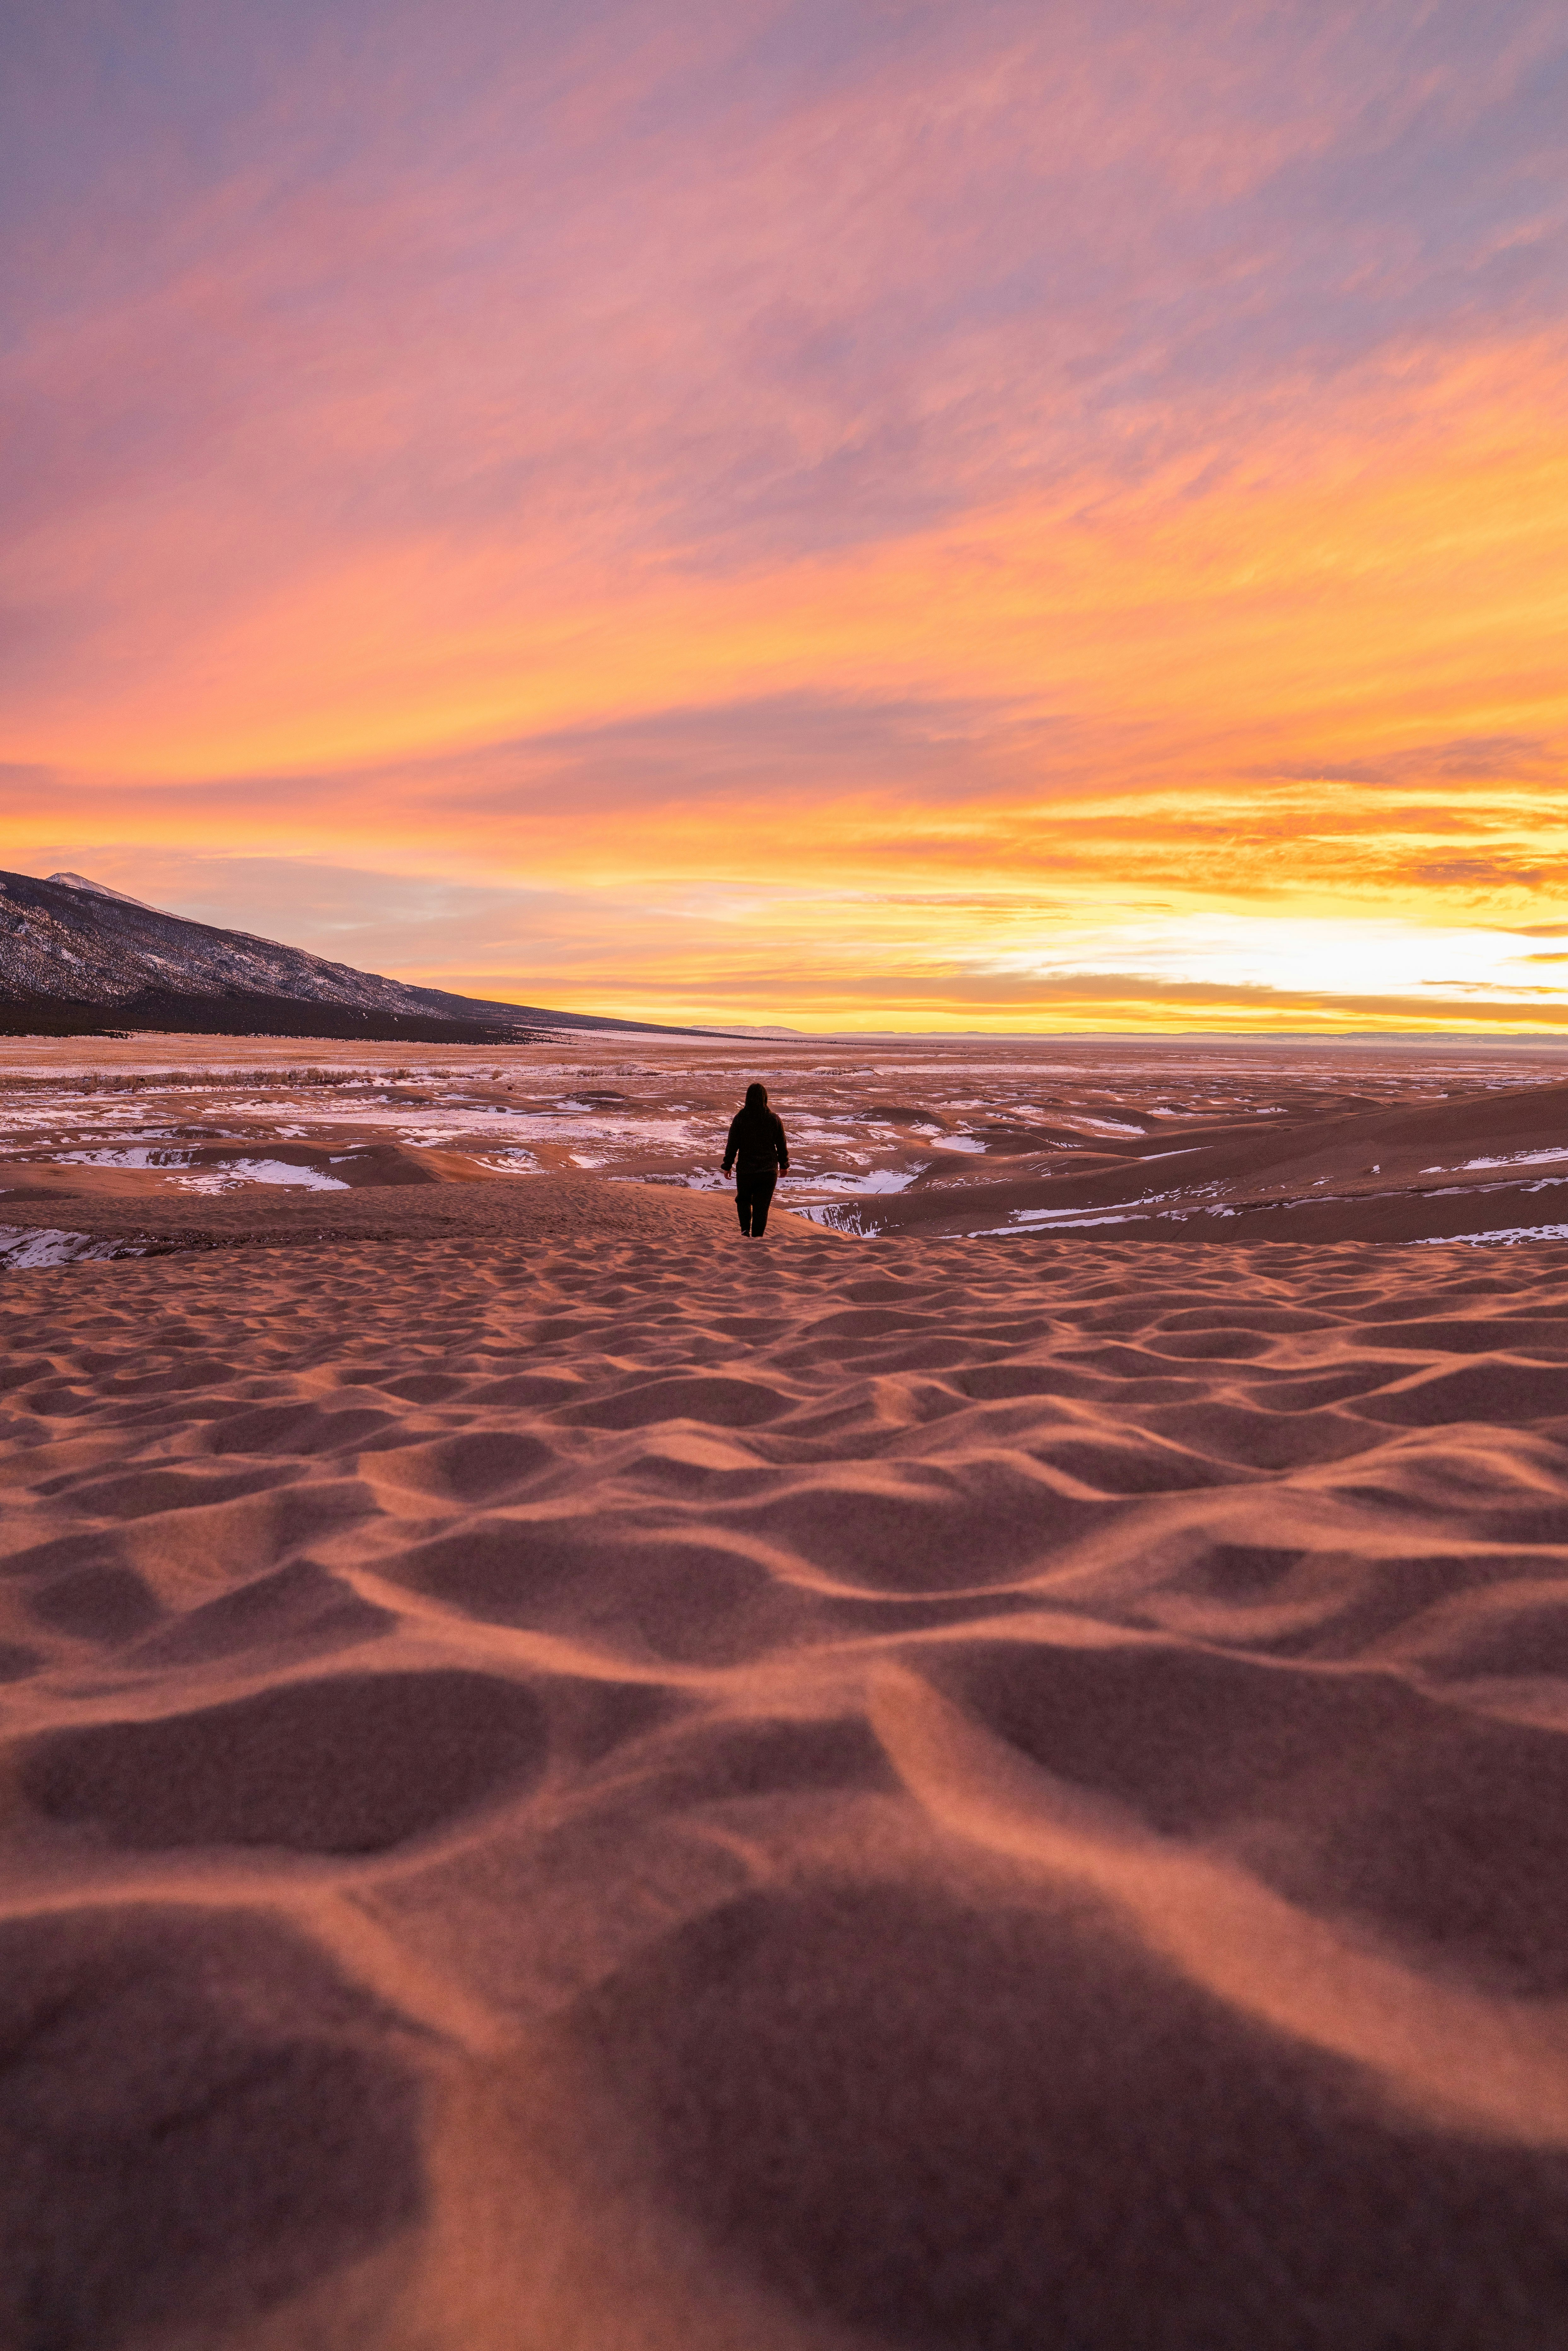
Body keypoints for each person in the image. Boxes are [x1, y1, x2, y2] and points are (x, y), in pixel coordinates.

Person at [722, 1081, 789, 1237]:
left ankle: (745, 1231)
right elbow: (781, 1144)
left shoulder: (740, 1119)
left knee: (743, 1201)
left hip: (746, 1170)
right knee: (762, 1206)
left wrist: (727, 1166)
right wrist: (784, 1165)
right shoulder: (774, 1119)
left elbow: (732, 1145)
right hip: (768, 1171)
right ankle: (758, 1237)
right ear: (765, 1098)